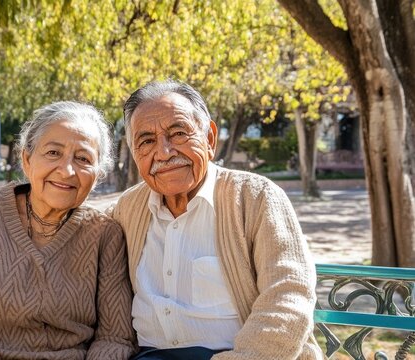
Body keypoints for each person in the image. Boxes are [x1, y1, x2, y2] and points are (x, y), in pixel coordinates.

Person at [109, 80, 324, 359]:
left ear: (210, 138)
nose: (163, 153)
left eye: (178, 133)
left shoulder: (256, 198)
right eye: (147, 141)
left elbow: (287, 296)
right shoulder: (127, 209)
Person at [0, 101, 137, 359]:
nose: (67, 171)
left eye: (83, 158)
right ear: (27, 159)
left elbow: (115, 337)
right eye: (53, 153)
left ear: (97, 173)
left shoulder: (104, 235)